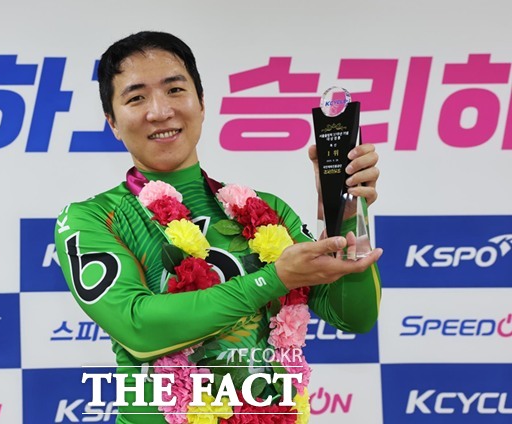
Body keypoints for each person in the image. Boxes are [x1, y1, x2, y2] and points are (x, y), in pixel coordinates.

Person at [55, 31, 382, 424]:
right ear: (112, 122)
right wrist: (273, 279)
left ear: (202, 103)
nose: (159, 111)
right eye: (136, 97)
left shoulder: (263, 209)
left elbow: (355, 317)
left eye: (175, 90)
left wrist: (345, 210)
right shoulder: (93, 217)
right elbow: (139, 327)